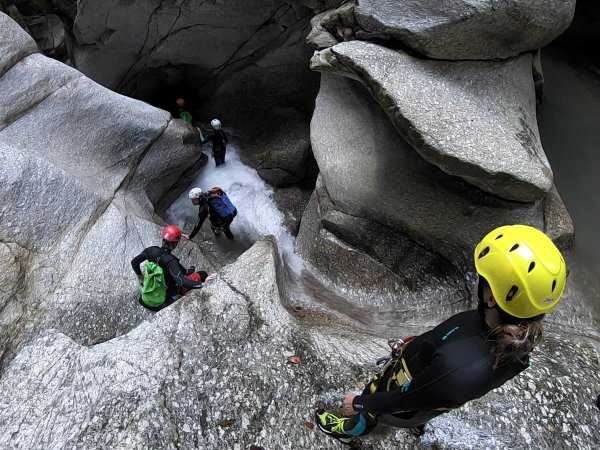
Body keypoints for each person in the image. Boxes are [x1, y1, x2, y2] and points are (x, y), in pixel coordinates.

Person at [315, 224, 568, 445]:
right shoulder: (513, 337)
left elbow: (406, 399)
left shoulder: (460, 370)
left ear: (492, 297)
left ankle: (351, 431)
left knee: (377, 400)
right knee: (417, 405)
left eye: (484, 279)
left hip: (409, 393)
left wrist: (361, 403)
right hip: (432, 384)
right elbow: (447, 366)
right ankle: (415, 421)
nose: (478, 280)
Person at [131, 224, 211, 311]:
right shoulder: (171, 261)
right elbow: (181, 280)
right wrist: (202, 285)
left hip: (145, 299)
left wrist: (141, 277)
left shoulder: (151, 250)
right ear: (175, 244)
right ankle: (173, 299)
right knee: (202, 274)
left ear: (163, 239)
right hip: (163, 300)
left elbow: (134, 262)